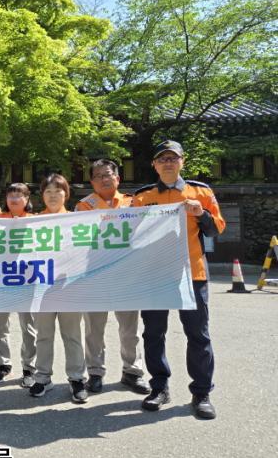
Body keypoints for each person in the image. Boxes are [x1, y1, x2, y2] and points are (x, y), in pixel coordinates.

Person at [132, 140, 225, 419]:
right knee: (153, 333)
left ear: (182, 161)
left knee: (198, 334)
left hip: (192, 273)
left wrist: (202, 214)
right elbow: (128, 233)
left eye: (173, 158)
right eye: (162, 159)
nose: (168, 163)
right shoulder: (142, 197)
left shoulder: (201, 192)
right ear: (154, 165)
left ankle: (202, 393)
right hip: (154, 275)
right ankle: (159, 387)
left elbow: (216, 229)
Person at [75, 159, 150, 395]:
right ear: (91, 182)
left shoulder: (133, 203)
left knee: (130, 328)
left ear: (117, 178)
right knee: (94, 329)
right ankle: (95, 372)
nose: (103, 179)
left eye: (107, 174)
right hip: (94, 276)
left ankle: (132, 371)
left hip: (126, 276)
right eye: (98, 176)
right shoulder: (83, 207)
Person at [29, 174, 88, 404]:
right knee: (43, 335)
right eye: (48, 191)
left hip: (70, 287)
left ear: (66, 194)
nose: (53, 195)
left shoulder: (78, 221)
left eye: (58, 191)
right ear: (42, 195)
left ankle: (77, 379)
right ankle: (42, 377)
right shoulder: (33, 222)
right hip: (42, 288)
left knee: (72, 335)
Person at [0, 183, 38, 388]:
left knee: (29, 326)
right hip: (1, 279)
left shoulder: (37, 221)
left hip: (27, 280)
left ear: (27, 199)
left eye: (19, 195)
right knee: (1, 325)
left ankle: (29, 367)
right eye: (10, 195)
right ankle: (4, 364)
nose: (14, 199)